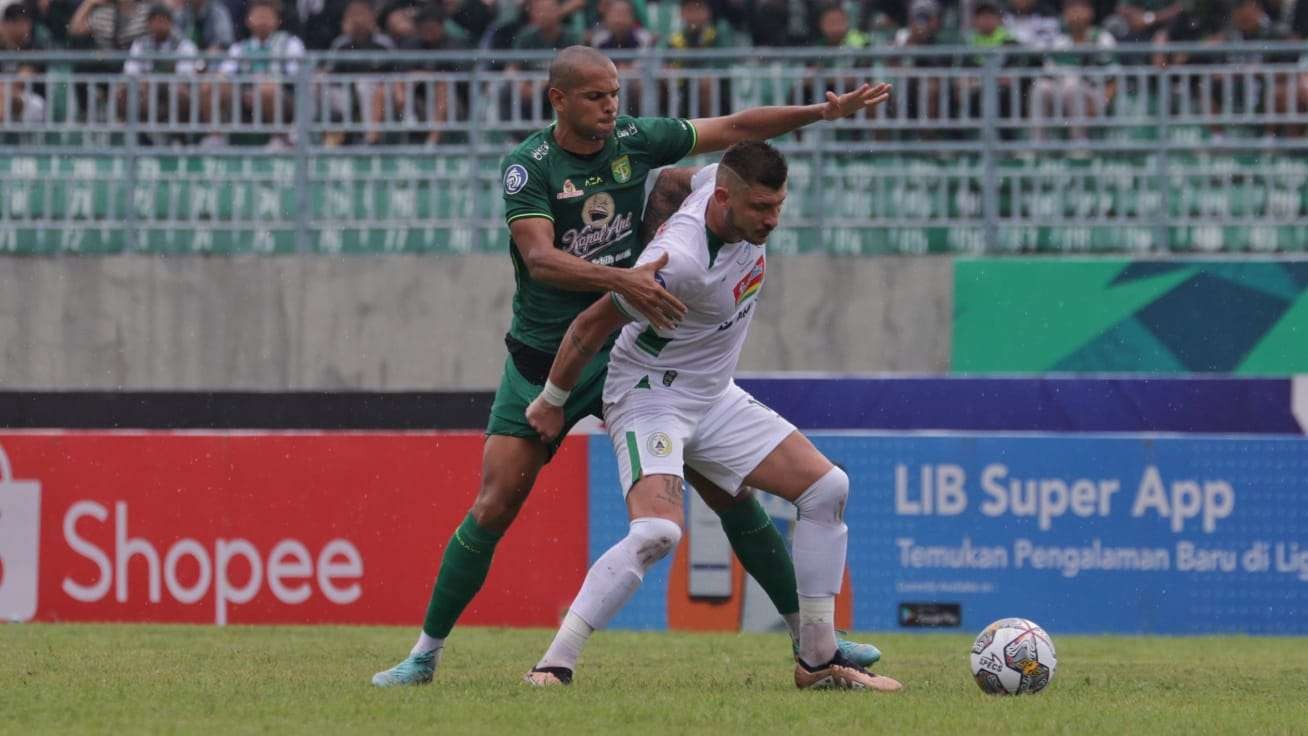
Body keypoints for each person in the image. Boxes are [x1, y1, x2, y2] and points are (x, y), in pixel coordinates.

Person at [370, 45, 891, 688]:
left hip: (636, 356)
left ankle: (815, 644)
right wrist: (626, 278)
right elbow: (540, 259)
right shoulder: (528, 167)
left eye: (615, 93)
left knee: (734, 496)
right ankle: (424, 654)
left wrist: (821, 110)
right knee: (496, 504)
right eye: (595, 96)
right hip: (546, 359)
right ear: (558, 99)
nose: (611, 106)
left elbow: (735, 131)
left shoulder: (633, 141)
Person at [519, 141, 903, 692]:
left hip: (712, 395)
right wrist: (552, 403)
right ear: (725, 198)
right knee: (656, 531)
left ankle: (818, 661)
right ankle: (554, 665)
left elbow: (673, 178)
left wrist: (651, 223)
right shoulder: (678, 265)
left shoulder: (709, 186)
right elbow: (587, 329)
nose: (772, 220)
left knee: (827, 488)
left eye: (779, 206)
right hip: (650, 395)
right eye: (761, 209)